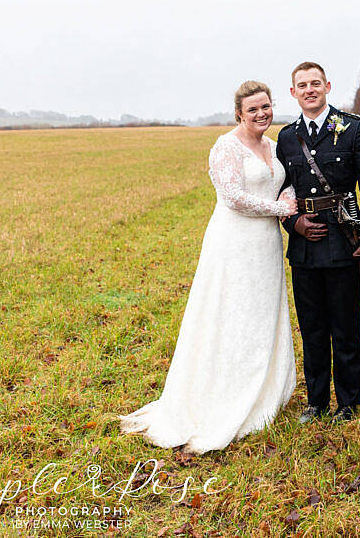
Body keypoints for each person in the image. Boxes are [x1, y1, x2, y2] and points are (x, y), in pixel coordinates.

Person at [118, 81, 298, 454]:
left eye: (266, 106)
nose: (262, 114)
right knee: (230, 313)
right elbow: (232, 197)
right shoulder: (225, 147)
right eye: (253, 109)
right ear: (239, 114)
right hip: (233, 242)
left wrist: (288, 196)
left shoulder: (275, 146)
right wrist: (281, 209)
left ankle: (263, 387)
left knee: (261, 312)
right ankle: (224, 395)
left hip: (265, 245)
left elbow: (285, 183)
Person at [275, 61, 360, 424]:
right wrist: (293, 223)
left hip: (343, 242)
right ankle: (316, 401)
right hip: (305, 247)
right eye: (302, 85)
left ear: (327, 87)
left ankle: (349, 402)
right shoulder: (288, 138)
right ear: (293, 93)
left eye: (315, 83)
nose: (309, 90)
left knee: (345, 326)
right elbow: (279, 190)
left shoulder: (354, 129)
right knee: (312, 327)